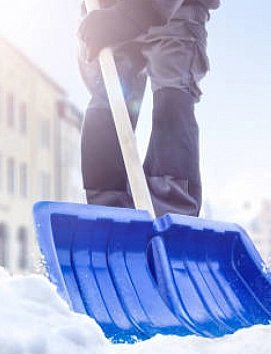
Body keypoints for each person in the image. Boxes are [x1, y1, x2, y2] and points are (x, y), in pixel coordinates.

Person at [77, 0, 219, 217]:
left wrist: (131, 14)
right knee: (109, 102)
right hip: (106, 10)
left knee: (172, 94)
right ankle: (108, 213)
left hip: (176, 10)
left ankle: (171, 213)